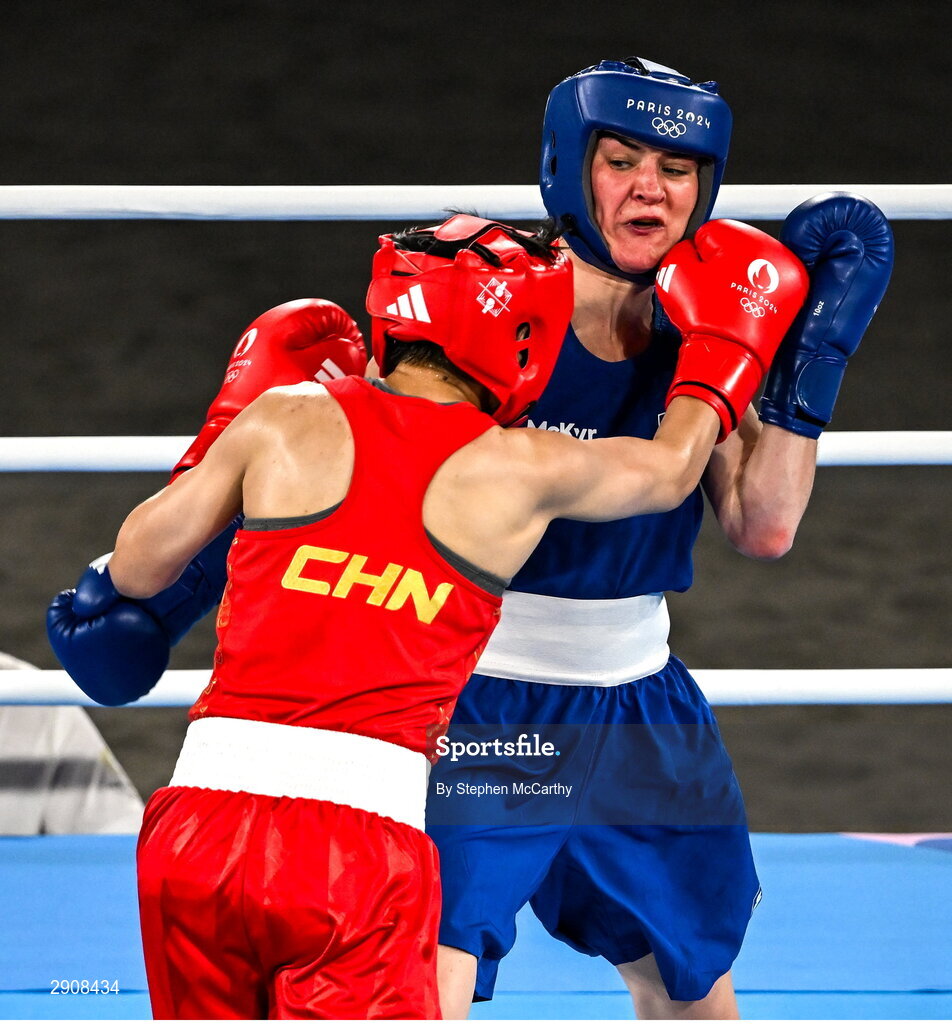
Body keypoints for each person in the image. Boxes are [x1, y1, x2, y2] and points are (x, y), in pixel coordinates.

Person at [54, 213, 807, 1019]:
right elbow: (667, 472)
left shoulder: (284, 419)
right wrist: (726, 352)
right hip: (355, 844)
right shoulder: (513, 469)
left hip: (195, 827)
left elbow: (134, 567)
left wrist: (224, 435)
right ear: (523, 338)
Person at [429, 59, 894, 1020]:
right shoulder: (493, 314)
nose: (651, 187)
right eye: (623, 159)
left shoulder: (706, 327)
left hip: (640, 702)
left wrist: (805, 363)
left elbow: (764, 526)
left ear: (706, 187)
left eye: (678, 168)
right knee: (428, 982)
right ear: (571, 169)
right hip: (483, 700)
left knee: (688, 986)